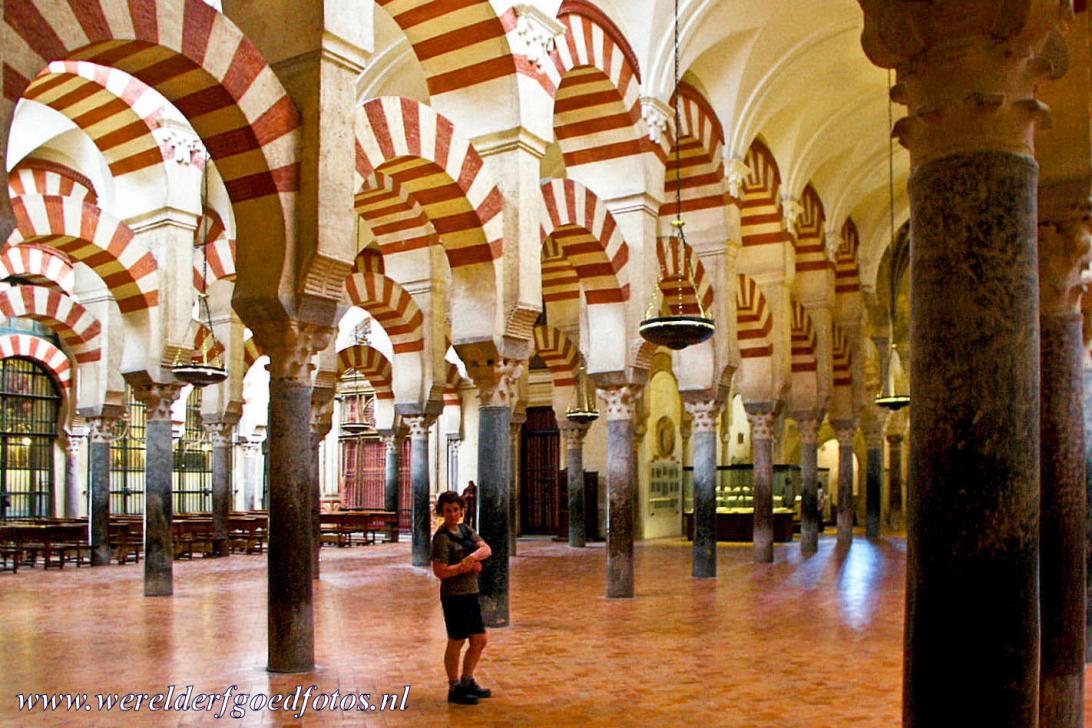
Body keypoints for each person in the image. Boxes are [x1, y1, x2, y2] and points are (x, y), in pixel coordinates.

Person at [431, 490, 492, 705]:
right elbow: (440, 571)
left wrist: (471, 558)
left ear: (461, 511)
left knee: (479, 639)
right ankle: (454, 686)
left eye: (456, 510)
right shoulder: (441, 538)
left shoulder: (466, 530)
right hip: (454, 595)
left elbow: (486, 549)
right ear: (442, 512)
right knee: (457, 640)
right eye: (448, 511)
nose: (453, 514)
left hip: (471, 591)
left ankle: (468, 680)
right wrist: (463, 567)